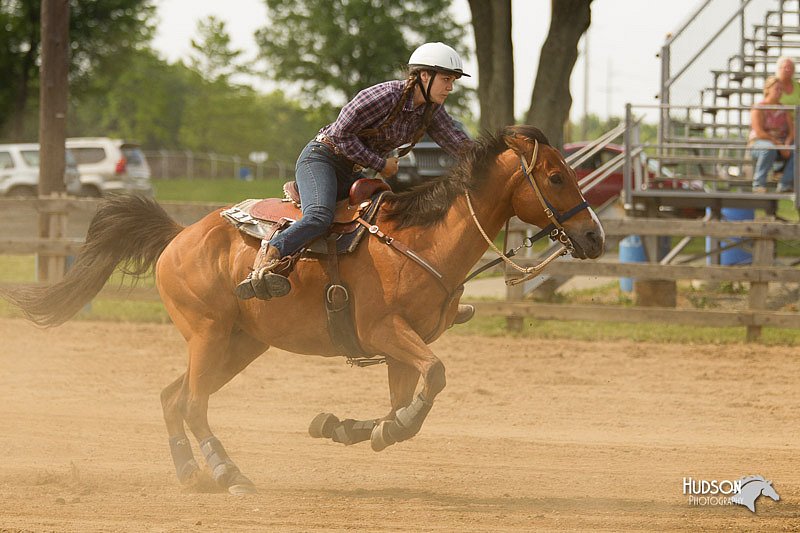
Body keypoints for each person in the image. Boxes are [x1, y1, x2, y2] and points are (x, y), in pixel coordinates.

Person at [236, 42, 475, 323]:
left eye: (453, 81)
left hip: (354, 172)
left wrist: (496, 158)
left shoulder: (431, 112)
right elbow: (340, 136)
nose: (450, 87)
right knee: (319, 216)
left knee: (394, 222)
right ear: (425, 76)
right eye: (446, 79)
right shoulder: (383, 95)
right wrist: (381, 164)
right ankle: (270, 255)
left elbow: (459, 144)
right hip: (322, 159)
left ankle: (435, 301)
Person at [749, 76, 795, 193]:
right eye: (776, 89)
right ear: (768, 89)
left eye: (781, 89)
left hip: (780, 145)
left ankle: (785, 183)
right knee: (769, 149)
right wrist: (779, 144)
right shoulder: (758, 108)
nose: (779, 92)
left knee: (797, 149)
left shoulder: (784, 109)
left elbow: (792, 131)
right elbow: (759, 132)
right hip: (759, 144)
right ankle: (759, 185)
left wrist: (787, 144)